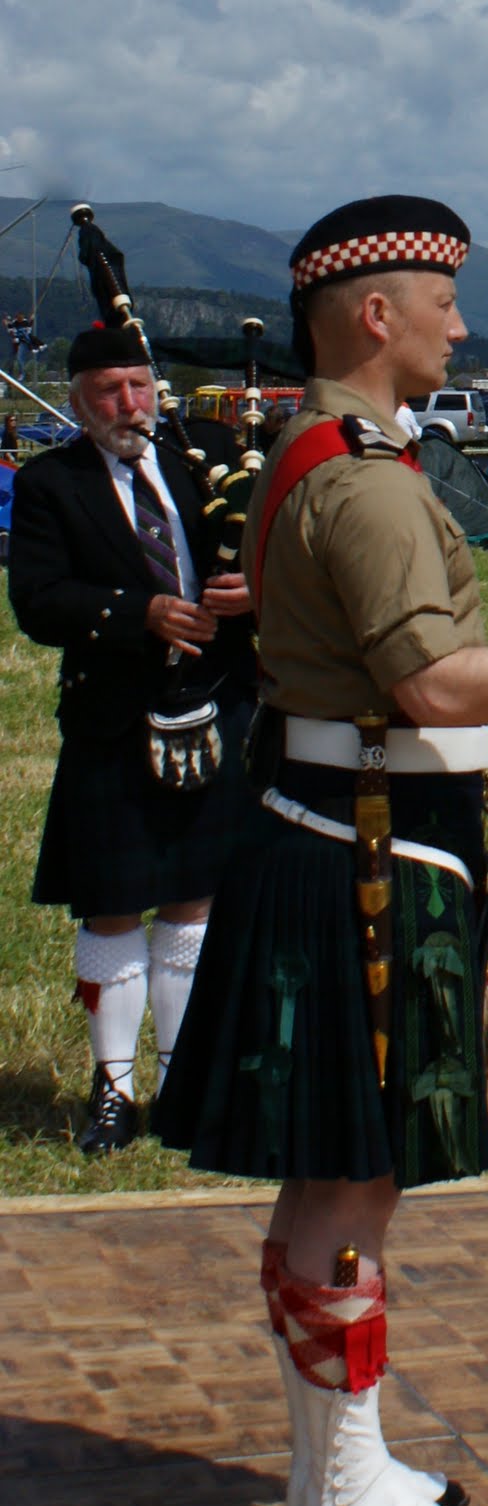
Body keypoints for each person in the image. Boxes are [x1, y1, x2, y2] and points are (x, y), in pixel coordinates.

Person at [152, 197, 488, 1506]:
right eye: (439, 297)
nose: (458, 317)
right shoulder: (366, 479)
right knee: (353, 1177)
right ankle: (341, 1492)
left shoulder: (320, 450)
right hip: (360, 852)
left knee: (343, 1170)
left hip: (350, 829)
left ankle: (347, 1465)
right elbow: (432, 681)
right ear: (375, 316)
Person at [7, 326, 258, 1155]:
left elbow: (264, 550)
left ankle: (182, 1078)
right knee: (112, 903)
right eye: (110, 389)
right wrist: (138, 613)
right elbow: (40, 602)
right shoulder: (52, 483)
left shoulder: (199, 463)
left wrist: (244, 591)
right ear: (77, 399)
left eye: (140, 386)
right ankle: (113, 1086)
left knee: (195, 896)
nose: (130, 404)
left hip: (213, 701)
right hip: (114, 713)